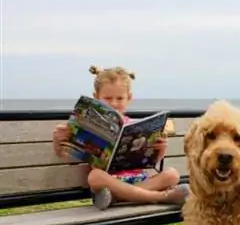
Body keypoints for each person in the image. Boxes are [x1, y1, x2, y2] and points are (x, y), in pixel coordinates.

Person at [52, 65, 189, 210]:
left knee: (172, 174)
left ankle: (118, 198)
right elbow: (63, 155)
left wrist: (160, 149)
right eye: (107, 98)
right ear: (96, 97)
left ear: (129, 98)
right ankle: (161, 197)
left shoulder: (135, 126)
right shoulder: (86, 125)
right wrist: (58, 141)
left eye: (119, 98)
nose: (114, 103)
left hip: (137, 180)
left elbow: (151, 162)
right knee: (94, 176)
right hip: (110, 182)